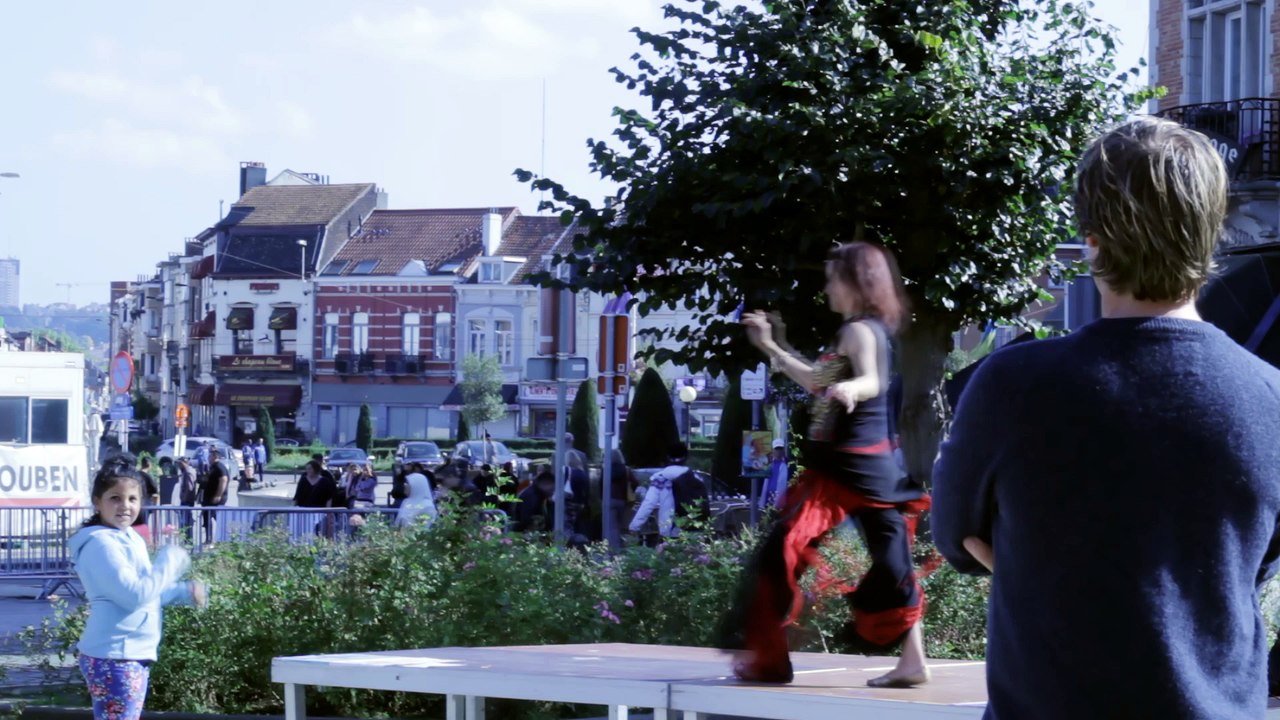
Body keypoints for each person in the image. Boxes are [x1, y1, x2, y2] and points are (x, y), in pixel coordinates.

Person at [933, 117, 1280, 719]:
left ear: (1092, 239)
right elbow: (1256, 560)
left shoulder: (1013, 384)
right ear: (1213, 232)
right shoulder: (1273, 397)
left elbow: (957, 538)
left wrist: (1051, 562)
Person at [716, 241, 930, 688]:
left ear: (855, 282)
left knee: (782, 555)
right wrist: (772, 346)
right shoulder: (856, 330)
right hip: (868, 471)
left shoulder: (861, 333)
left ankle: (770, 660)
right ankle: (913, 663)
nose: (827, 286)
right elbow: (817, 380)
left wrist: (855, 390)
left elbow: (872, 379)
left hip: (850, 471)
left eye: (833, 277)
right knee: (893, 565)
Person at [69, 459, 208, 720]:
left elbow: (147, 591)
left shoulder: (128, 537)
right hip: (116, 655)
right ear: (97, 502)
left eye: (133, 498)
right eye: (115, 498)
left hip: (127, 653)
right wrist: (171, 559)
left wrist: (184, 592)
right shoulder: (102, 545)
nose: (126, 506)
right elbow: (134, 595)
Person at [199, 449, 230, 546]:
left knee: (215, 518)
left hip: (215, 499)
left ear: (215, 457)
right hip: (208, 499)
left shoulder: (219, 467)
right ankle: (210, 539)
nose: (208, 458)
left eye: (210, 456)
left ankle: (219, 539)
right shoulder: (213, 467)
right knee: (209, 518)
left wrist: (218, 495)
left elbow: (223, 479)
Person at [759, 438, 789, 511]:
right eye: (776, 449)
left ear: (783, 450)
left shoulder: (787, 464)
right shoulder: (769, 464)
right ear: (773, 450)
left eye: (780, 449)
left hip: (780, 501)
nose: (778, 451)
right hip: (767, 498)